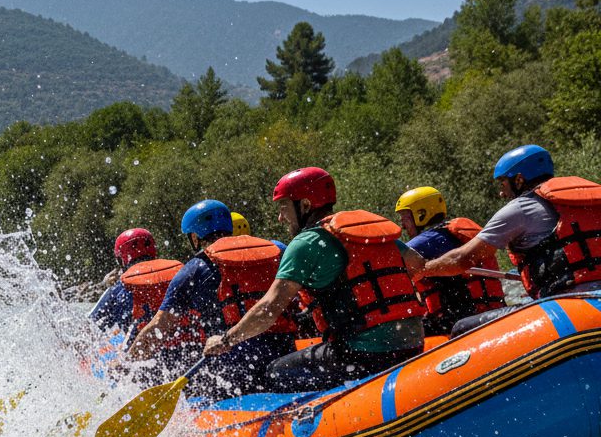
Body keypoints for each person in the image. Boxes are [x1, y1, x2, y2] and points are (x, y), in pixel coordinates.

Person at [203, 167, 425, 392]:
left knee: (275, 372)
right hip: (413, 343)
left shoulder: (306, 243)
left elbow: (269, 309)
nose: (281, 217)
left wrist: (227, 340)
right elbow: (417, 264)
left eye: (283, 207)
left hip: (364, 355)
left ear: (306, 205)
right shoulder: (363, 231)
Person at [418, 144, 601, 335]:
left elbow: (462, 259)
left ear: (519, 179)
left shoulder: (520, 208)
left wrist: (424, 269)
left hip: (567, 305)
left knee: (461, 328)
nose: (501, 193)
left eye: (503, 184)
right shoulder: (589, 204)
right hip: (595, 299)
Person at [125, 200, 295, 398]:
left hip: (234, 369)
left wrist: (128, 364)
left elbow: (159, 327)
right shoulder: (276, 250)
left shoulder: (193, 270)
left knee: (188, 388)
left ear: (195, 237)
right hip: (284, 353)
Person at [394, 186, 506, 335]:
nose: (402, 225)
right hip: (482, 312)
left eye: (405, 218)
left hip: (460, 321)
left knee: (402, 334)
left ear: (421, 214)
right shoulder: (447, 235)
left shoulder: (430, 240)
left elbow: (391, 259)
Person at [89, 228, 165, 339]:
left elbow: (92, 326)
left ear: (122, 260)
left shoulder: (119, 289)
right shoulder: (178, 277)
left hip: (138, 351)